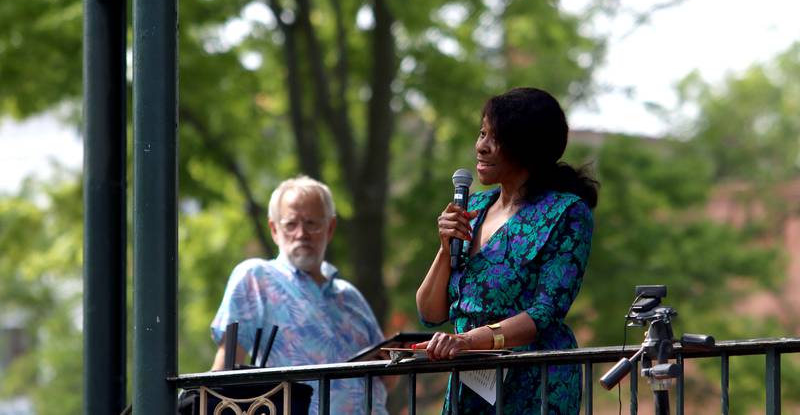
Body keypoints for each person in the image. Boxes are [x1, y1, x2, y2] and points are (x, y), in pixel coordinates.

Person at [415, 87, 598, 414]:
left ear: (526, 147)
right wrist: (445, 250)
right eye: (482, 132)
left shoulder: (566, 213)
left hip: (536, 383)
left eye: (494, 137)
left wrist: (467, 341)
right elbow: (430, 314)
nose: (480, 146)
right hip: (471, 381)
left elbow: (545, 313)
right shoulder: (475, 207)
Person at [210, 175, 388, 414]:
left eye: (312, 223)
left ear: (331, 227)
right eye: (290, 224)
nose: (301, 233)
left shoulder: (350, 297)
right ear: (274, 229)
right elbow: (225, 368)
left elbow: (388, 378)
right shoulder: (257, 277)